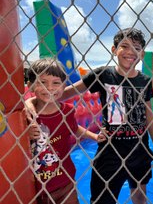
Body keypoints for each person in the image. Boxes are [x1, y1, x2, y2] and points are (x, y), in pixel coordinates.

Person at [26, 28, 153, 204]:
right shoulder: (103, 74)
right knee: (102, 197)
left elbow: (148, 115)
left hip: (139, 148)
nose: (130, 52)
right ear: (114, 50)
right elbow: (65, 92)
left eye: (136, 47)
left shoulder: (144, 81)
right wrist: (29, 102)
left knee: (139, 193)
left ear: (142, 53)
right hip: (110, 149)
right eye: (124, 46)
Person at [26, 58, 106, 204]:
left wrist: (94, 136)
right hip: (36, 187)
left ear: (63, 87)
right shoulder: (27, 116)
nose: (49, 88)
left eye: (56, 83)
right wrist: (26, 136)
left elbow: (74, 128)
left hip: (65, 182)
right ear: (31, 86)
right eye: (42, 82)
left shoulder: (67, 111)